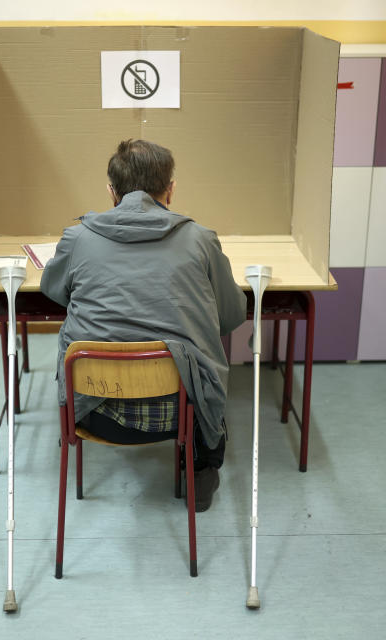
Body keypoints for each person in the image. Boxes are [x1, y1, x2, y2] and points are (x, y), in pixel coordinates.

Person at [41, 139, 247, 512]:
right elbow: (231, 317)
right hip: (181, 411)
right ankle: (200, 472)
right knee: (201, 375)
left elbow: (53, 291)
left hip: (92, 410)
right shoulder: (200, 240)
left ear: (111, 192)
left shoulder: (77, 239)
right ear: (170, 189)